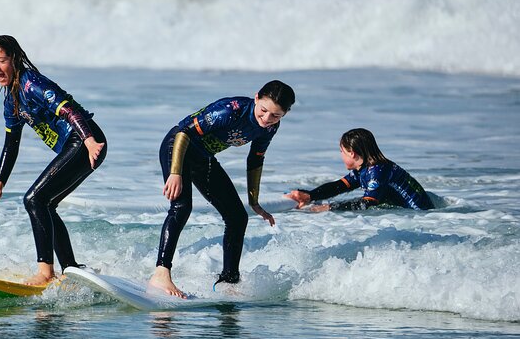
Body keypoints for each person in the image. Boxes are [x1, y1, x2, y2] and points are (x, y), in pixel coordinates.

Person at [149, 81, 296, 298]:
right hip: (177, 148)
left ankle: (229, 280)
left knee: (237, 216)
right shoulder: (231, 110)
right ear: (256, 98)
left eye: (275, 116)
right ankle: (161, 273)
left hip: (203, 158)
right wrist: (176, 172)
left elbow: (255, 159)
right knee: (181, 206)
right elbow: (183, 133)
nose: (266, 119)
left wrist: (254, 202)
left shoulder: (270, 127)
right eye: (263, 111)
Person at [0, 35, 107, 285]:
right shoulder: (12, 100)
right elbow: (11, 143)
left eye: (2, 60)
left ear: (14, 59)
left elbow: (68, 110)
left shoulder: (32, 84)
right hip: (79, 145)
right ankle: (71, 269)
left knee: (34, 199)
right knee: (45, 204)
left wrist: (89, 140)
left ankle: (45, 272)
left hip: (84, 140)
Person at [285, 128, 434, 212]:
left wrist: (329, 207)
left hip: (421, 216)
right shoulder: (363, 169)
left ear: (352, 153)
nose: (341, 156)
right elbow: (338, 186)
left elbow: (367, 203)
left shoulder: (378, 172)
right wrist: (309, 195)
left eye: (341, 151)